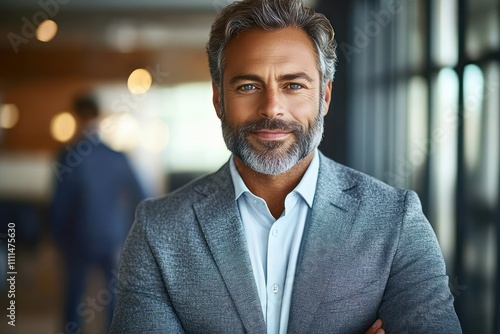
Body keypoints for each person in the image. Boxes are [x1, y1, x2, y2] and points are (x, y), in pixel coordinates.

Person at [110, 0, 462, 333]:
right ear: (219, 100)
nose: (272, 108)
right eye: (248, 85)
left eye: (293, 85)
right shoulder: (159, 231)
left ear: (324, 96)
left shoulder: (395, 221)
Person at [51, 94, 146, 333]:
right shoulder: (116, 156)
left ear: (77, 117)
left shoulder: (67, 158)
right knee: (112, 299)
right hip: (112, 238)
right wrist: (128, 233)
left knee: (74, 297)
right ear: (97, 118)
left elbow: (59, 204)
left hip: (77, 237)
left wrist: (56, 237)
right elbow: (143, 196)